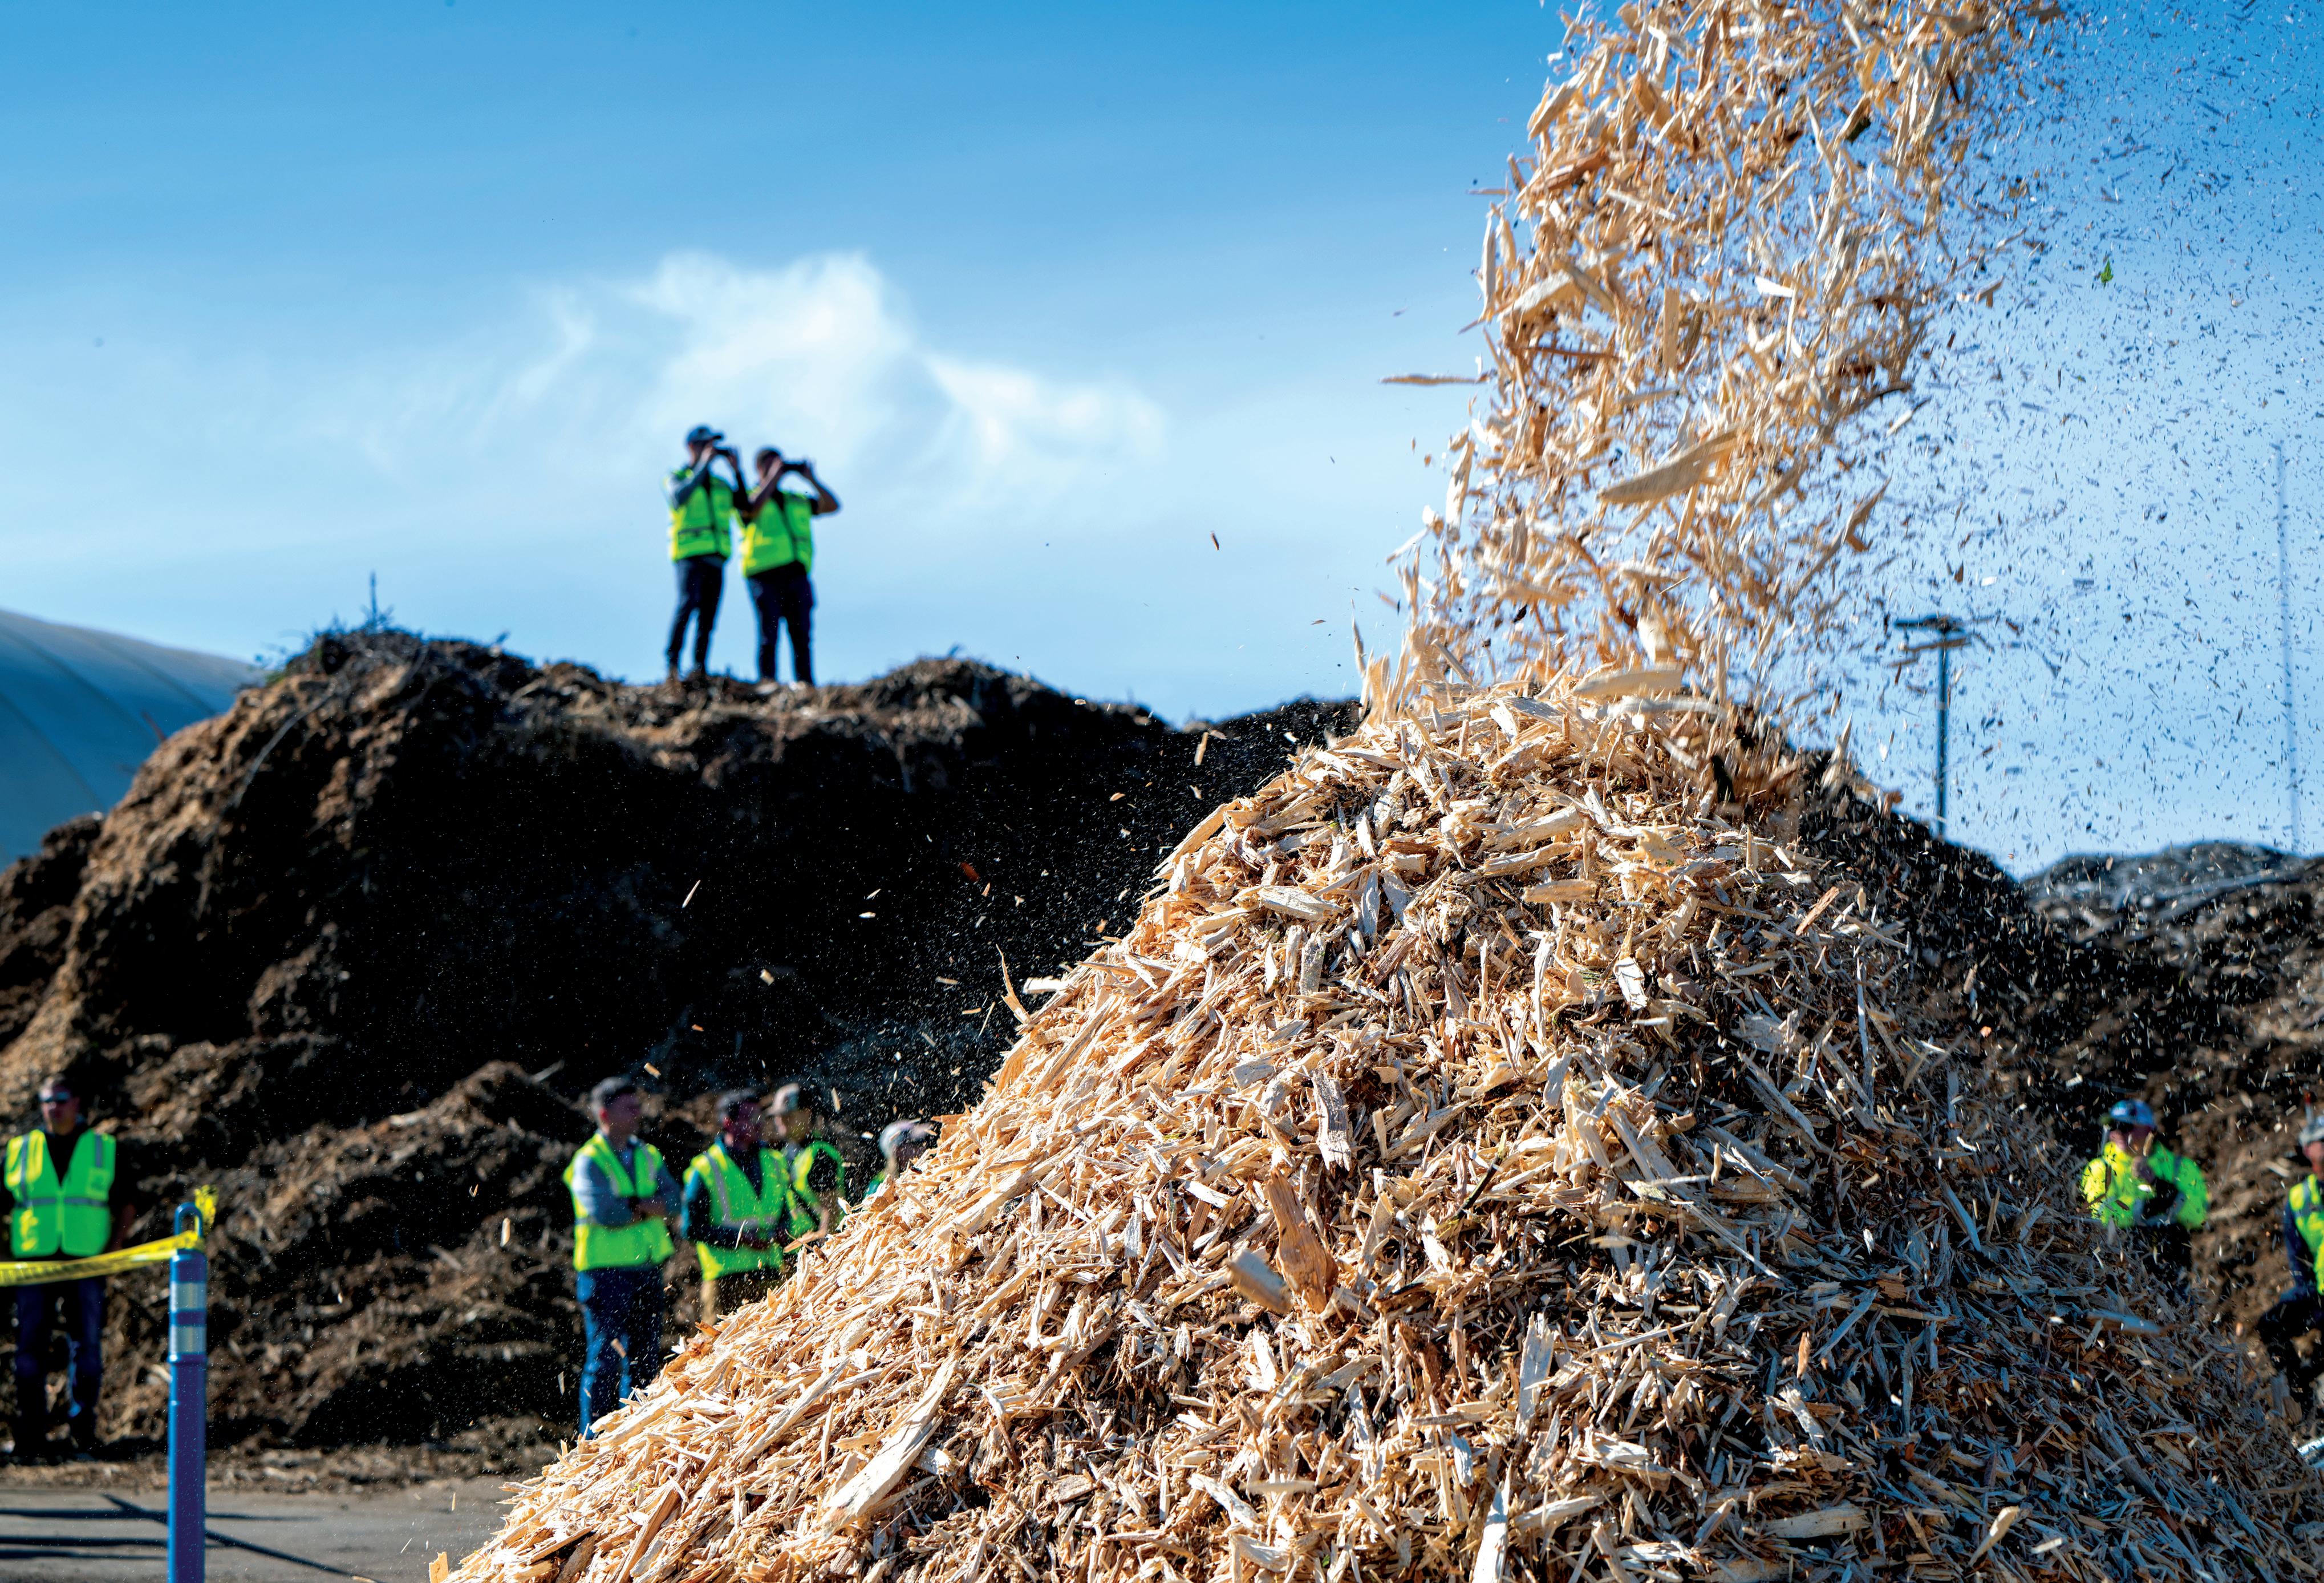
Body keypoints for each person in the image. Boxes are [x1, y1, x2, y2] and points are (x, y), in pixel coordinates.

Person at [6, 1076, 133, 1461]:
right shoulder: (20, 1150)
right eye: (47, 1100)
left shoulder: (103, 1149)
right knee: (30, 1349)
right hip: (34, 1263)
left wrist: (113, 1250)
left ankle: (83, 1433)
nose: (53, 1107)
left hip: (86, 1261)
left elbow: (127, 1202)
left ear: (77, 1102)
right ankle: (32, 1436)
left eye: (61, 1099)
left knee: (87, 1348)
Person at [563, 1075, 682, 1436]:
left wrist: (634, 1206)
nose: (637, 1113)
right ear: (605, 1114)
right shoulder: (589, 1160)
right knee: (605, 1360)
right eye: (628, 1108)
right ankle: (594, 1442)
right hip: (605, 1274)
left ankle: (635, 1435)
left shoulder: (647, 1154)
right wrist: (648, 1207)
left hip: (645, 1269)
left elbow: (675, 1201)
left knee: (645, 1359)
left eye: (637, 1106)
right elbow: (607, 1214)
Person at [2079, 1096, 2207, 1292]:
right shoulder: (2098, 1168)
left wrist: (2161, 1187)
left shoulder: (2181, 1167)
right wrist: (2145, 1208)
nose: (2118, 1132)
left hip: (2173, 1278)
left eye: (2126, 1126)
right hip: (2121, 1275)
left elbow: (2199, 1215)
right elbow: (2099, 1216)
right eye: (2113, 1126)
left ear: (2150, 1130)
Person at [737, 448, 840, 687]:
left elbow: (832, 506)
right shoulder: (748, 495)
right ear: (760, 468)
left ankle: (805, 685)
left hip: (796, 573)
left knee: (801, 635)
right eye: (771, 464)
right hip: (764, 574)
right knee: (769, 633)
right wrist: (773, 478)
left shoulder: (796, 499)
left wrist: (812, 479)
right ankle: (768, 683)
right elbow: (750, 509)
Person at [681, 1091, 787, 1321]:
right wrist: (740, 1238)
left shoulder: (775, 1161)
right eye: (751, 1118)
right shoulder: (706, 1168)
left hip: (771, 1276)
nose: (759, 1124)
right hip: (726, 1283)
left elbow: (785, 1213)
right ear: (729, 1123)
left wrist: (783, 1231)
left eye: (760, 1117)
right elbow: (691, 1228)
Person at [666, 424, 747, 683]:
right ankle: (672, 666)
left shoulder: (722, 485)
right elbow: (679, 497)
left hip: (716, 558)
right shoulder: (677, 476)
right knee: (687, 605)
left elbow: (745, 507)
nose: (710, 450)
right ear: (691, 447)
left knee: (708, 617)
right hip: (690, 555)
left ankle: (700, 668)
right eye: (705, 445)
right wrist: (703, 465)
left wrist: (737, 472)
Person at [2259, 1111, 2324, 1415]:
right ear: (2307, 1150)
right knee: (2272, 1324)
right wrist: (2309, 1293)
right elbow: (2299, 1258)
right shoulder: (2300, 1198)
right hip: (2320, 1293)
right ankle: (2299, 1399)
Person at [770, 1083, 848, 1240]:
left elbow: (831, 1211)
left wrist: (824, 1250)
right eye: (778, 1115)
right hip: (798, 1246)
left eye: (788, 1114)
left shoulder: (820, 1154)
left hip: (816, 1247)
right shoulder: (787, 1154)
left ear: (807, 1113)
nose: (781, 1120)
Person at [866, 1119, 936, 1200]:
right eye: (915, 1143)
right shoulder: (878, 1186)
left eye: (922, 1142)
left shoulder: (928, 1177)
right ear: (896, 1150)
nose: (923, 1148)